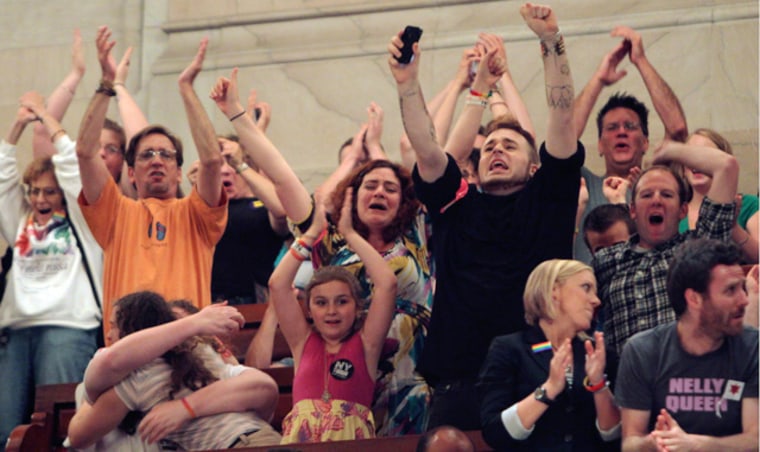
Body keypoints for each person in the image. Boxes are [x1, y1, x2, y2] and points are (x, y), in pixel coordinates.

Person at [389, 3, 584, 429]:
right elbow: (425, 147)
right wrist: (408, 85)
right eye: (491, 145)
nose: (497, 149)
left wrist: (551, 41)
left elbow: (563, 114)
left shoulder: (550, 197)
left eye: (511, 146)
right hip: (460, 380)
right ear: (474, 166)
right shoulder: (454, 204)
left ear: (534, 166)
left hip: (537, 372)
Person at [211, 67, 433, 435]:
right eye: (370, 185)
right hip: (344, 375)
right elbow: (283, 177)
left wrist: (406, 86)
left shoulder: (416, 236)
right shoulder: (331, 243)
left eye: (390, 188)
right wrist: (236, 115)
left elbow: (427, 150)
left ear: (405, 201)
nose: (379, 192)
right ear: (351, 194)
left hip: (409, 381)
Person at [75, 28, 227, 340]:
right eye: (146, 155)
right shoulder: (116, 212)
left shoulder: (197, 214)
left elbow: (212, 160)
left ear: (179, 171)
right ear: (130, 173)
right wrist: (107, 83)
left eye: (166, 155)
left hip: (190, 349)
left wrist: (186, 89)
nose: (156, 160)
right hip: (127, 352)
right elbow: (85, 151)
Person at [0, 92, 102, 446]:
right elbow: (2, 177)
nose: (40, 199)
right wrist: (17, 124)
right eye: (34, 191)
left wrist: (46, 117)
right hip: (15, 333)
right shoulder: (19, 221)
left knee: (63, 432)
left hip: (68, 330)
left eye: (49, 192)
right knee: (7, 433)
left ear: (63, 195)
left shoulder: (85, 225)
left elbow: (74, 168)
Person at [68, 291, 282, 450]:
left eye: (114, 326)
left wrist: (186, 408)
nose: (108, 335)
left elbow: (78, 436)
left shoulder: (140, 377)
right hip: (264, 438)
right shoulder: (199, 352)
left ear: (131, 332)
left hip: (242, 443)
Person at [268, 190, 397, 443]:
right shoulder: (301, 342)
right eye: (320, 303)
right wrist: (310, 234)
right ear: (309, 310)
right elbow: (277, 284)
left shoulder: (367, 344)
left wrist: (350, 234)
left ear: (357, 307)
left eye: (342, 301)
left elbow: (387, 284)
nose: (331, 311)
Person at [593, 139, 738, 356]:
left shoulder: (699, 247)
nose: (657, 201)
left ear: (682, 210)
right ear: (632, 210)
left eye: (667, 195)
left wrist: (673, 151)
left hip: (688, 377)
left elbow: (726, 167)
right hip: (629, 381)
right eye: (647, 195)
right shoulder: (606, 260)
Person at [616, 239, 758, 451]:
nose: (744, 299)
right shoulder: (642, 350)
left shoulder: (752, 346)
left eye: (742, 288)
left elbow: (756, 440)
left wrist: (697, 445)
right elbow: (630, 442)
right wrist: (656, 442)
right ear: (694, 299)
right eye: (730, 290)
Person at [572, 25, 688, 264]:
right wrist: (599, 80)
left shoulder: (658, 183)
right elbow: (563, 141)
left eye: (630, 127)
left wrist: (640, 60)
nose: (621, 133)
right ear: (600, 145)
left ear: (645, 142)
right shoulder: (584, 183)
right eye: (612, 128)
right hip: (590, 294)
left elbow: (677, 130)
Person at [478, 259, 620, 451]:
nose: (596, 300)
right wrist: (549, 389)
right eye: (586, 287)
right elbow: (496, 433)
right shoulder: (510, 349)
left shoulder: (601, 354)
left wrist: (598, 385)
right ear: (554, 292)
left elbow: (613, 435)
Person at [212, 135, 289, 305]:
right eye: (218, 163)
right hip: (205, 305)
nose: (225, 170)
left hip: (253, 304)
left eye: (230, 162)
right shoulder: (204, 209)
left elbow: (282, 210)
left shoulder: (262, 207)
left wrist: (240, 164)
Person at [680, 128, 758, 263]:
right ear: (683, 169)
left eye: (707, 155)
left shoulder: (750, 204)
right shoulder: (675, 213)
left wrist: (733, 227)